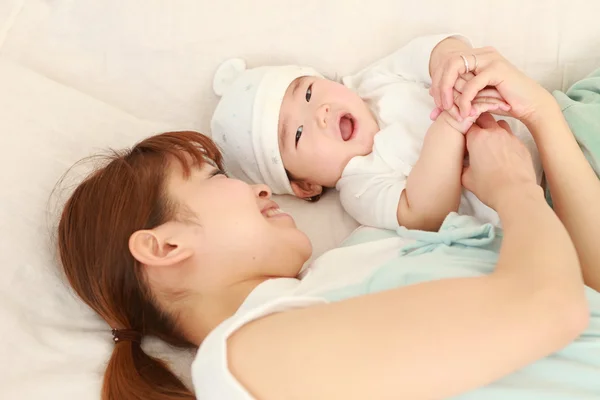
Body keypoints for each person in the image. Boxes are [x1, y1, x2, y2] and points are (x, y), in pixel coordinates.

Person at [56, 49, 600, 400]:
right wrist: (514, 193)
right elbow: (551, 308)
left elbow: (586, 288)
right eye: (214, 176)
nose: (259, 188)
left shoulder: (359, 254)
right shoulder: (240, 363)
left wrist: (542, 120)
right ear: (166, 244)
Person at [210, 34, 542, 231]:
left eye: (309, 93)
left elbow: (430, 49)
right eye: (297, 133)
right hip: (533, 217)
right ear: (305, 185)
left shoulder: (375, 82)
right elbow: (425, 214)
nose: (320, 114)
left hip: (544, 130)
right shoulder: (359, 185)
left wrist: (450, 61)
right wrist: (451, 123)